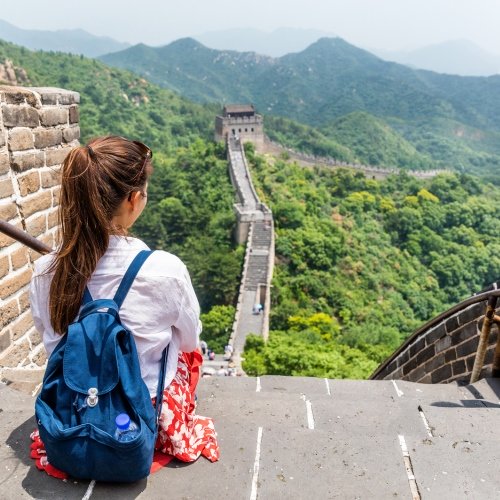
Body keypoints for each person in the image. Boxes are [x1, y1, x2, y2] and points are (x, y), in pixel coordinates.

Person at [29, 136, 219, 478]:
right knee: (187, 353)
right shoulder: (166, 270)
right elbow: (190, 341)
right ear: (133, 198)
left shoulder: (45, 271)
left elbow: (51, 343)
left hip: (73, 406)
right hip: (141, 413)